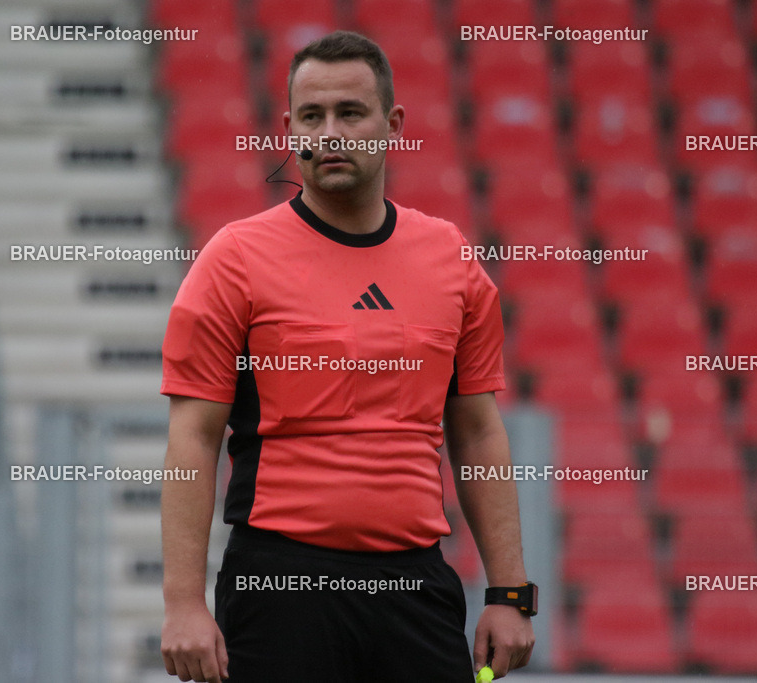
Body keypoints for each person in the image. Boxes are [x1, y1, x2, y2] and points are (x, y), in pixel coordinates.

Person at [159, 30, 535, 683]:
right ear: (289, 128)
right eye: (312, 116)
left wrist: (508, 593)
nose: (329, 133)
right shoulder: (234, 259)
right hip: (279, 587)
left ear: (392, 125)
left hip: (414, 582)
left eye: (350, 113)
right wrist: (183, 602)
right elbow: (193, 436)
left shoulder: (451, 258)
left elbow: (477, 429)